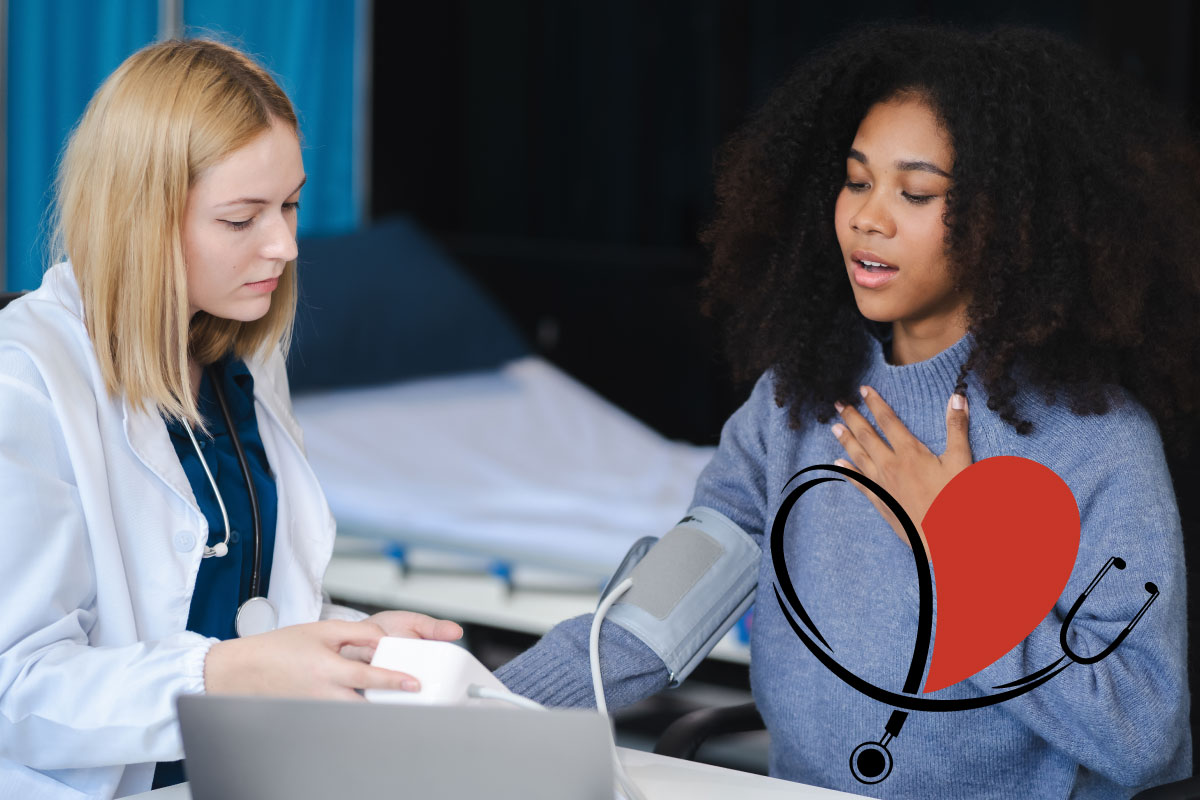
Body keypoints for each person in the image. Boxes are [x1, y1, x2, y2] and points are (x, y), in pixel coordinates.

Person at [496, 24, 1198, 797]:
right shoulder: (796, 399)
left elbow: (1143, 737)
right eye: (857, 180)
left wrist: (957, 548)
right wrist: (478, 710)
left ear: (1012, 222)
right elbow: (656, 619)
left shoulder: (1097, 444)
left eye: (917, 192)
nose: (869, 217)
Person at [0, 39, 462, 798]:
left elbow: (243, 606)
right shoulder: (27, 383)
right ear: (138, 219)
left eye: (290, 205)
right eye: (242, 218)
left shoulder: (239, 356)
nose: (283, 246)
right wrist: (225, 676)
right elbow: (15, 689)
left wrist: (353, 642)